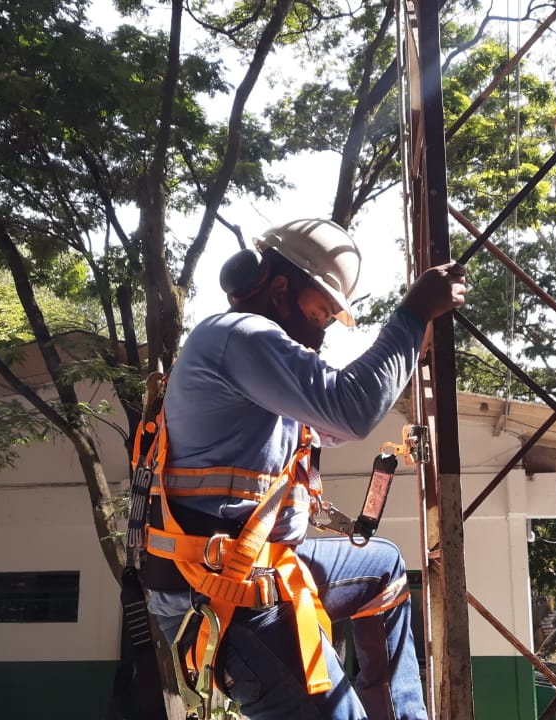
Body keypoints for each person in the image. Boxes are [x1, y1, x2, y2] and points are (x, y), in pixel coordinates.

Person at [141, 218, 467, 720]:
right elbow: (351, 409)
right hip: (222, 594)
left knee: (383, 568)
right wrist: (413, 313)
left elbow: (336, 423)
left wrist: (405, 347)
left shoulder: (262, 364)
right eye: (318, 316)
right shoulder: (238, 335)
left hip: (255, 567)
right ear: (278, 290)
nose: (320, 337)